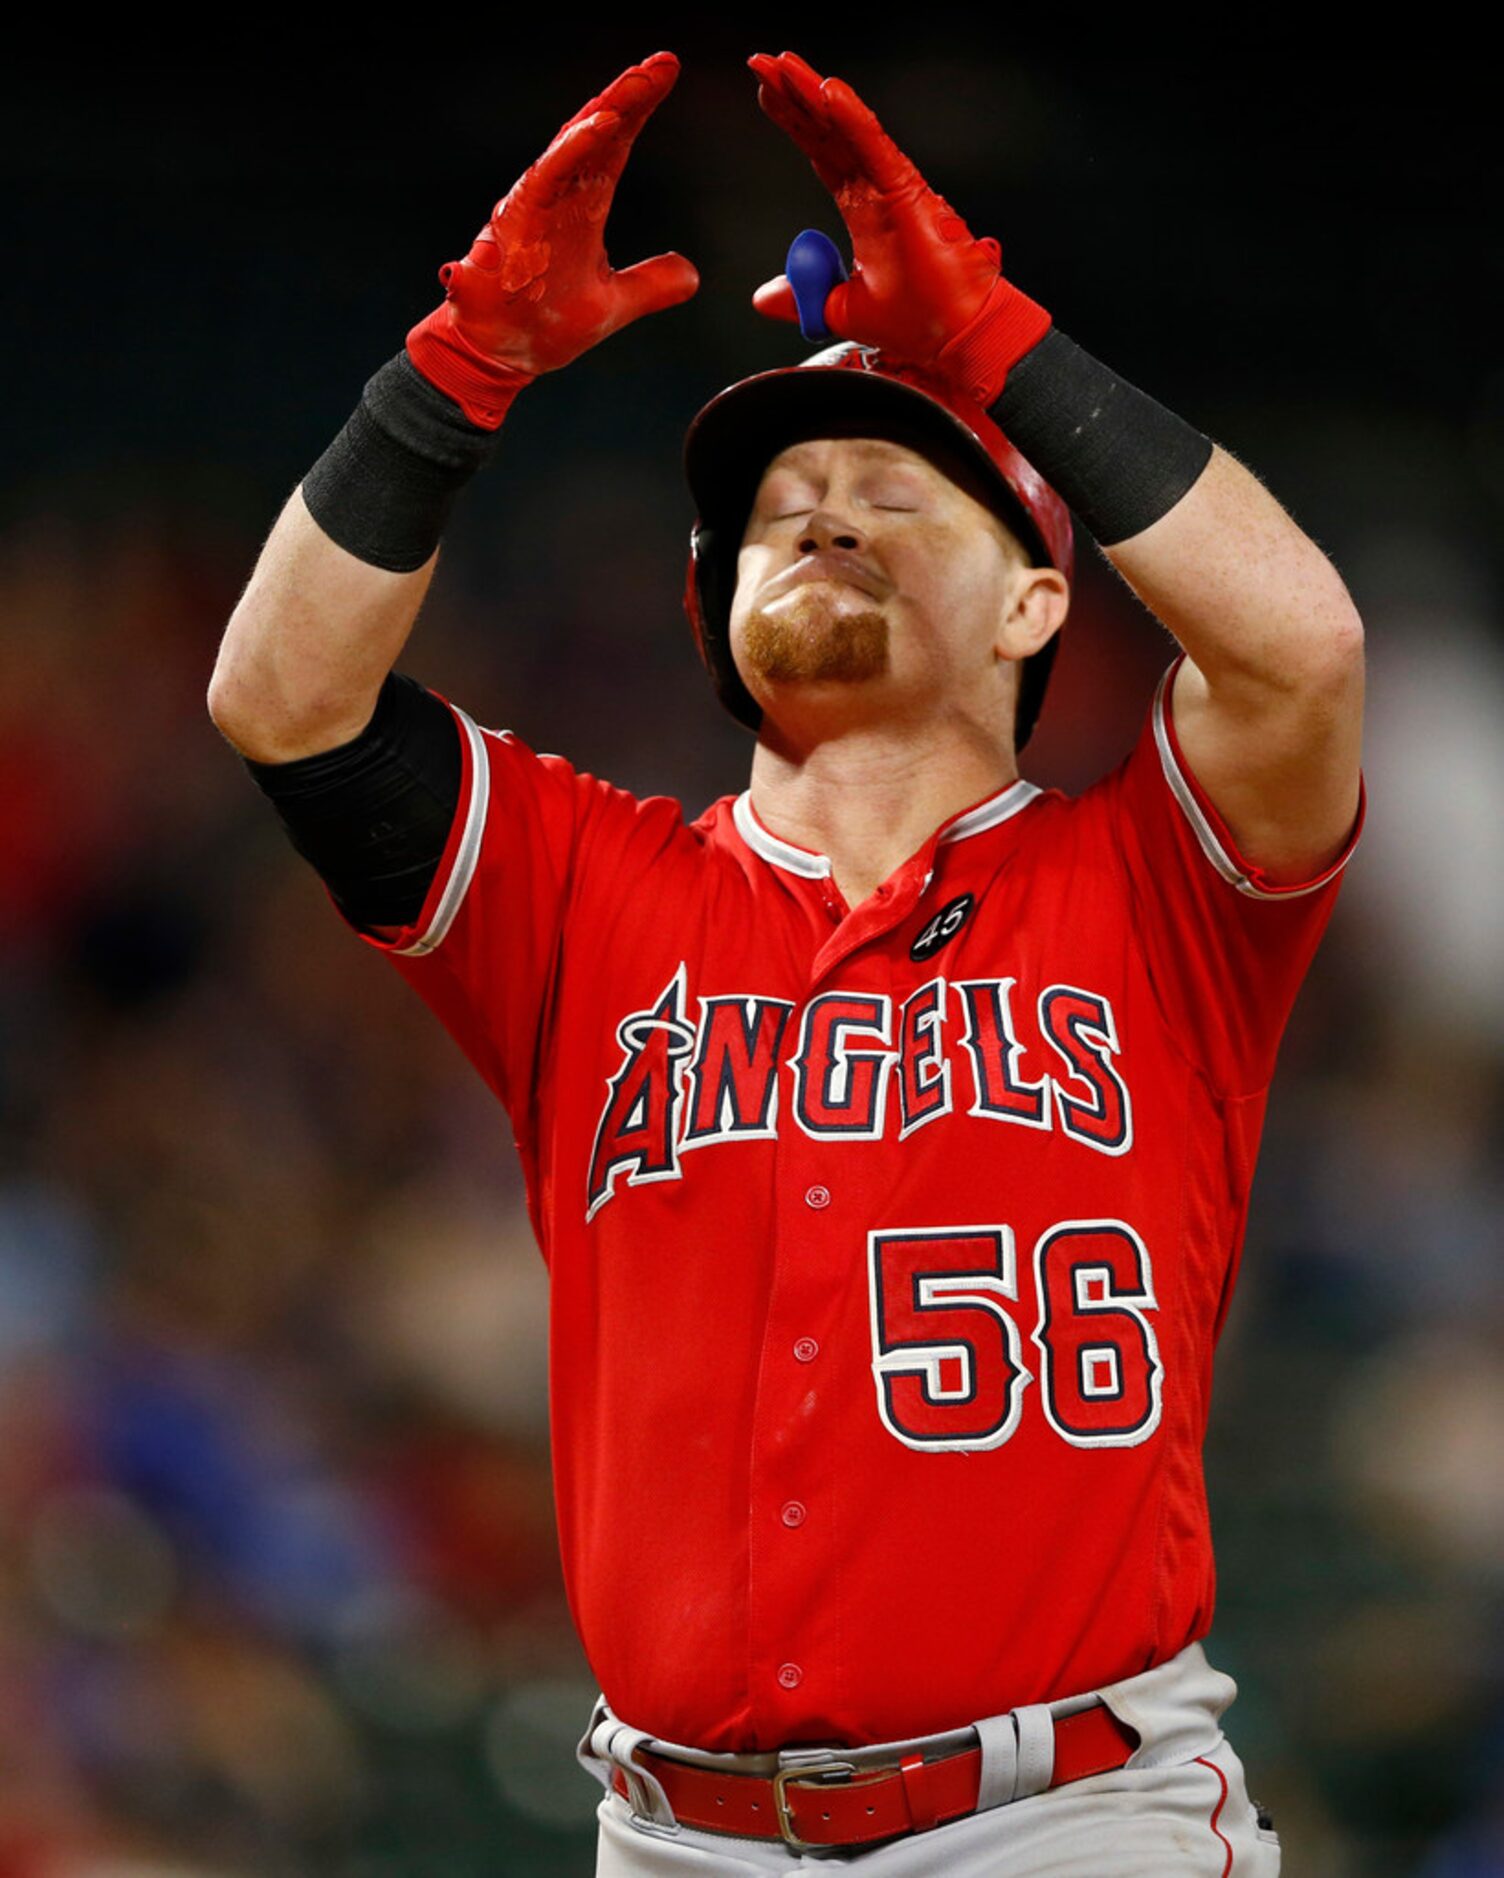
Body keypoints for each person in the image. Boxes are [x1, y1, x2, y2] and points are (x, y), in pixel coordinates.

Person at [207, 49, 1363, 1875]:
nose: (822, 507)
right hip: (676, 1831)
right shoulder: (588, 890)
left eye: (898, 488)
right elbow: (279, 697)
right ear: (715, 616)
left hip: (1061, 1817)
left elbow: (1301, 650)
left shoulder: (1154, 880)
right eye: (778, 498)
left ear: (1040, 597)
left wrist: (986, 339)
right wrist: (457, 369)